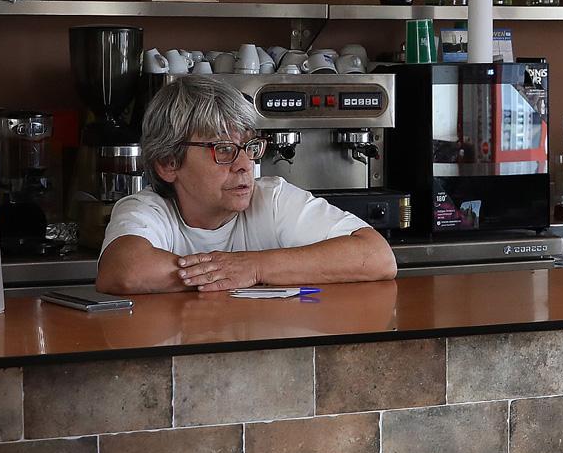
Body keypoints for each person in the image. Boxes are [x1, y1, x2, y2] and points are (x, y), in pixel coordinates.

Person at [97, 75, 397, 294]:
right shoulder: (147, 209)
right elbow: (125, 271)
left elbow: (377, 257)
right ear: (168, 163)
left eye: (250, 147)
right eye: (223, 149)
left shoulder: (271, 198)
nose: (245, 164)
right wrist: (226, 272)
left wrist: (254, 267)